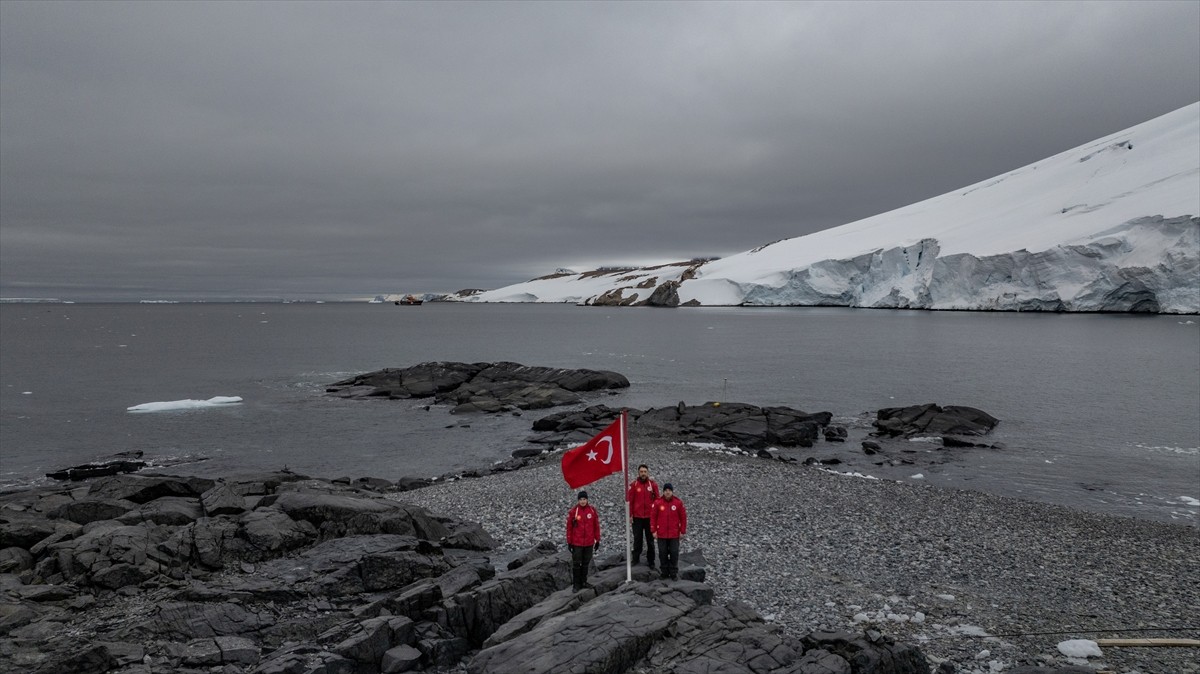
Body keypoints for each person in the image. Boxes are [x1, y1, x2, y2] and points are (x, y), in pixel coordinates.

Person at [565, 490, 601, 591]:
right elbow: (569, 528)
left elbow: (596, 526)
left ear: (587, 500)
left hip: (589, 542)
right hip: (577, 542)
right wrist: (569, 542)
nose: (582, 501)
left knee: (586, 562)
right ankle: (576, 584)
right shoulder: (574, 511)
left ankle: (584, 581)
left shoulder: (592, 511)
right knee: (576, 563)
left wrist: (597, 540)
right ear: (578, 500)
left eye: (584, 499)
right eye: (580, 499)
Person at [650, 483, 687, 580]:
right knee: (662, 553)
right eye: (666, 490)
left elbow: (683, 517)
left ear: (672, 491)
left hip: (674, 534)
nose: (667, 492)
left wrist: (682, 531)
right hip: (661, 533)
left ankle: (673, 573)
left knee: (674, 553)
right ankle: (664, 572)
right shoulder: (658, 503)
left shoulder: (678, 503)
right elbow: (653, 517)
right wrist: (653, 530)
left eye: (669, 490)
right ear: (663, 492)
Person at [627, 464, 659, 568]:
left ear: (647, 472)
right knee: (637, 539)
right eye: (641, 472)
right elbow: (630, 501)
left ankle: (651, 561)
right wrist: (630, 515)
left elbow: (657, 501)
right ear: (638, 473)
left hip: (650, 517)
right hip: (637, 517)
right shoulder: (634, 485)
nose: (643, 473)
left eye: (645, 471)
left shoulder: (653, 485)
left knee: (650, 540)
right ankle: (635, 559)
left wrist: (657, 515)